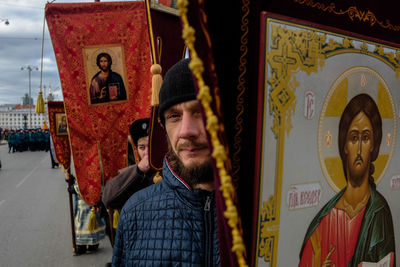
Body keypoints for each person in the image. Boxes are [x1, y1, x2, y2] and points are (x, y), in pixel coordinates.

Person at [111, 59, 220, 266]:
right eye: (174, 116)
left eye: (201, 111)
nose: (186, 130)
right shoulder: (135, 213)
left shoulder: (263, 208)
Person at [299, 94, 395, 267]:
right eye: (353, 138)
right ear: (344, 145)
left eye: (365, 138)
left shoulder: (379, 212)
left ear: (373, 144)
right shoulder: (324, 223)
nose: (359, 149)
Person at [102, 117, 155, 210]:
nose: (147, 152)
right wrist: (138, 170)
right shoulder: (132, 172)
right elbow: (108, 199)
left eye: (151, 146)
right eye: (142, 148)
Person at [65, 172, 107, 255]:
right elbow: (79, 180)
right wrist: (70, 179)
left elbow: (87, 184)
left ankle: (93, 244)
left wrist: (74, 188)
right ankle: (81, 245)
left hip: (89, 201)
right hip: (81, 203)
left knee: (90, 223)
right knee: (81, 224)